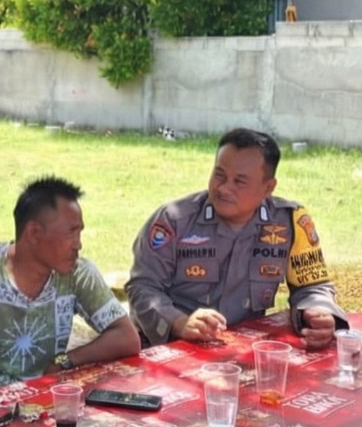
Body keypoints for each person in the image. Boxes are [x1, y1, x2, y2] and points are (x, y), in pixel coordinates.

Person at [0, 177, 140, 400]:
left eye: (80, 232)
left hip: (41, 406)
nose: (78, 244)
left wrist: (65, 360)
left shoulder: (77, 274)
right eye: (71, 232)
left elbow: (127, 337)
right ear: (34, 233)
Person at [127, 128, 345, 350]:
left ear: (267, 188)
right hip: (172, 348)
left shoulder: (289, 223)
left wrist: (320, 313)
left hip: (244, 350)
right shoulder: (174, 221)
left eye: (239, 181)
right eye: (219, 175)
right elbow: (143, 287)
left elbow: (312, 285)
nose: (223, 188)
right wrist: (179, 323)